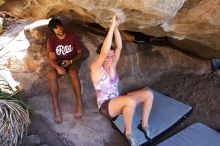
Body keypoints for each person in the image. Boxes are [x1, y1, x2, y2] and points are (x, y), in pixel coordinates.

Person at [90, 15, 154, 146]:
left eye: (111, 56)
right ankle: (128, 133)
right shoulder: (96, 69)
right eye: (107, 56)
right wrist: (111, 26)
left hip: (118, 101)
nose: (109, 58)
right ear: (100, 57)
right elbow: (104, 52)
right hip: (106, 107)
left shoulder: (112, 65)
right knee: (130, 100)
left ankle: (144, 125)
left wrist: (116, 28)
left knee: (148, 94)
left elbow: (118, 47)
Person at [47, 18, 83, 123]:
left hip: (73, 62)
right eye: (56, 28)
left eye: (60, 26)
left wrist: (71, 61)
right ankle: (56, 110)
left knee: (72, 72)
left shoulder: (72, 36)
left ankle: (79, 105)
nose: (59, 29)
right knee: (51, 75)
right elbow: (52, 59)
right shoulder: (51, 40)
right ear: (53, 30)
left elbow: (80, 53)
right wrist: (58, 68)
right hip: (60, 63)